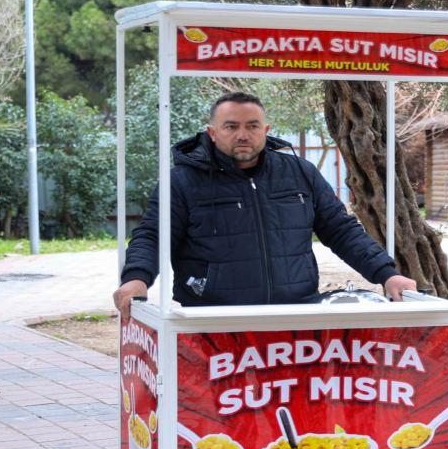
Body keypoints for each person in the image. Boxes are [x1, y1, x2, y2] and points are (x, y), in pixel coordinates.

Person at [113, 92, 415, 317]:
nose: (243, 135)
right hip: (212, 321)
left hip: (294, 315)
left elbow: (341, 230)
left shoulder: (299, 173)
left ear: (266, 130)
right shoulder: (182, 182)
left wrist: (387, 273)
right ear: (212, 133)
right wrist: (136, 280)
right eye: (231, 126)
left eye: (252, 126)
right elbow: (153, 235)